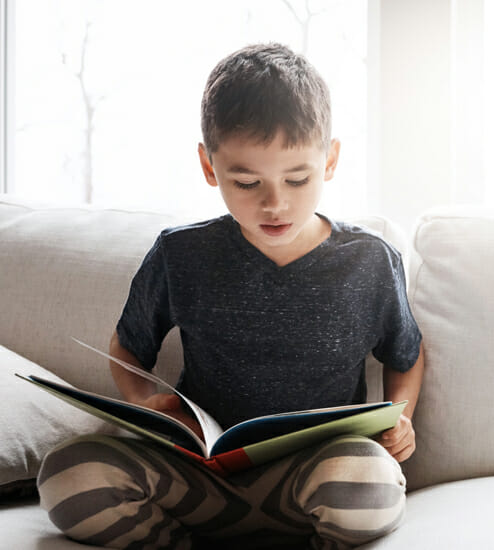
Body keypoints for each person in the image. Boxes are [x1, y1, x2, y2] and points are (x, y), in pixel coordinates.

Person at [36, 43, 425, 550]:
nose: (275, 202)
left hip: (313, 482)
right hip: (198, 477)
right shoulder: (181, 254)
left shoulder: (369, 261)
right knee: (69, 473)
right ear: (208, 166)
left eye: (298, 178)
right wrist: (148, 404)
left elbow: (407, 355)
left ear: (330, 159)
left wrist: (401, 419)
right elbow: (128, 347)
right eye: (246, 182)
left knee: (367, 480)